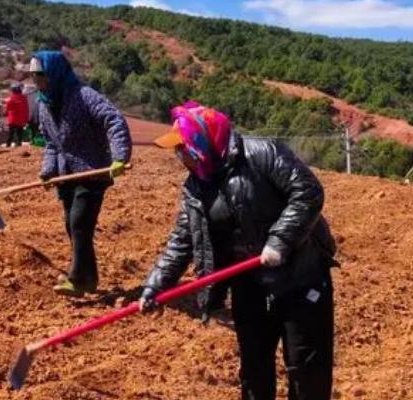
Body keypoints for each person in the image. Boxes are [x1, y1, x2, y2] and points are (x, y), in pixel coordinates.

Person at [138, 102, 338, 400]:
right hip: (250, 285)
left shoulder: (262, 153)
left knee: (307, 373)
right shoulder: (196, 186)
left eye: (184, 148)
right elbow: (182, 241)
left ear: (203, 142)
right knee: (254, 373)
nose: (179, 156)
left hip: (301, 278)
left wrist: (279, 241)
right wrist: (155, 285)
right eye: (177, 150)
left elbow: (307, 192)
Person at [30, 50, 132, 297]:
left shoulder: (84, 96)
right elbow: (53, 144)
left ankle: (77, 279)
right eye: (32, 75)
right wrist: (47, 171)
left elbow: (114, 120)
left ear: (54, 73)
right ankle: (88, 278)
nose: (35, 81)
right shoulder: (45, 104)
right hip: (67, 175)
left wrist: (120, 156)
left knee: (79, 223)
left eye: (40, 74)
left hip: (93, 170)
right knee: (73, 225)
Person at [4, 83, 29, 147]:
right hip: (21, 118)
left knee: (11, 133)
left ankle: (8, 144)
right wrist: (26, 118)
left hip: (13, 118)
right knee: (19, 132)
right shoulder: (24, 98)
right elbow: (26, 108)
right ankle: (18, 144)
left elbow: (8, 108)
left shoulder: (11, 98)